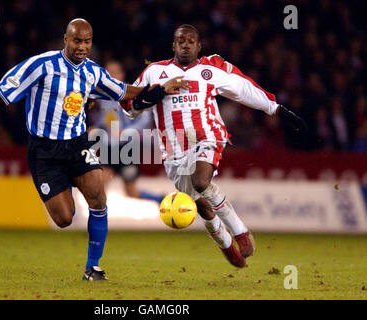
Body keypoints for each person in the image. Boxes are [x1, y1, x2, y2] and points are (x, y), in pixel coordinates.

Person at [0, 18, 188, 281]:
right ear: (65, 39)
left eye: (87, 42)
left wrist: (161, 89)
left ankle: (93, 267)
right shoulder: (41, 65)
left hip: (77, 145)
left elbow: (125, 92)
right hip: (44, 151)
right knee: (64, 218)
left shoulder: (93, 72)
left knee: (98, 196)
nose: (82, 47)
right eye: (77, 40)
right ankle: (65, 184)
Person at [121, 24, 306, 268]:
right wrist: (159, 93)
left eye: (191, 41)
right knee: (203, 207)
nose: (185, 44)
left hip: (207, 136)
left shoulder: (211, 69)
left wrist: (276, 109)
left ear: (199, 46)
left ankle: (240, 232)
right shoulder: (155, 72)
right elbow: (130, 106)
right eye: (180, 40)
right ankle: (226, 245)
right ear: (173, 45)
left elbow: (243, 89)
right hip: (173, 150)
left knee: (200, 181)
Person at [87, 60, 165, 204]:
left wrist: (126, 131)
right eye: (108, 73)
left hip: (128, 147)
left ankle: (160, 199)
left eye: (115, 72)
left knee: (131, 192)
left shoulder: (133, 92)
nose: (112, 76)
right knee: (100, 187)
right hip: (108, 147)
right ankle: (98, 220)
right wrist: (95, 128)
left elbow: (146, 117)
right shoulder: (102, 97)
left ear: (122, 74)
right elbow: (105, 120)